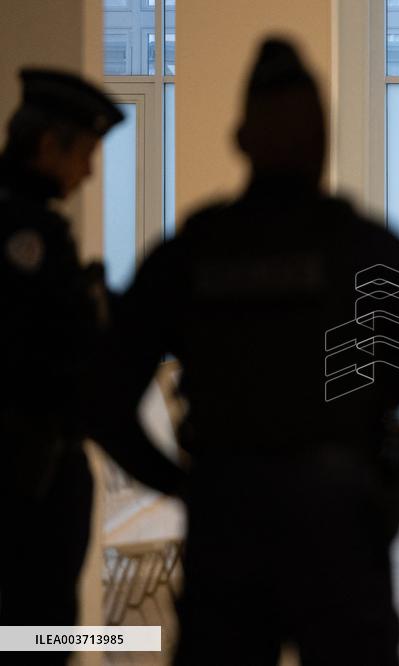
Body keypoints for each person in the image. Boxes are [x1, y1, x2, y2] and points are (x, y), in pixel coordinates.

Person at [93, 39, 399, 665]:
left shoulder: (192, 254)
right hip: (342, 529)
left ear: (241, 139)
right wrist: (396, 500)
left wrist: (186, 486)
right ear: (324, 141)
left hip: (227, 525)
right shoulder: (371, 252)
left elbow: (101, 397)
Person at [0, 69, 184, 657]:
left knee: (34, 625)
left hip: (33, 463)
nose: (90, 171)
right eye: (86, 152)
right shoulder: (25, 233)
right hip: (30, 469)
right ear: (49, 145)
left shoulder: (35, 226)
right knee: (39, 625)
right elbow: (61, 353)